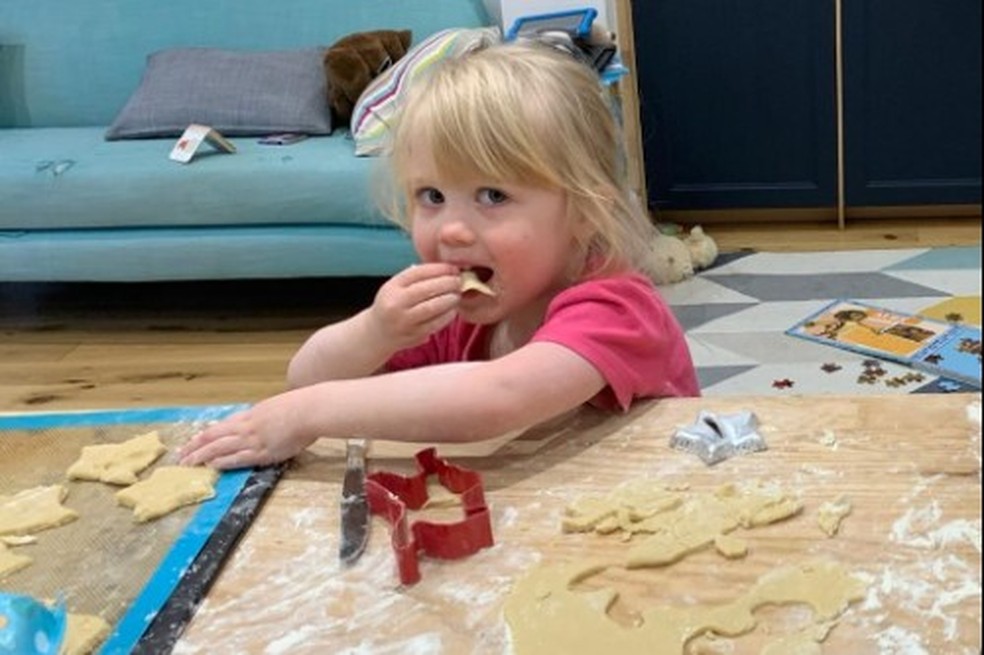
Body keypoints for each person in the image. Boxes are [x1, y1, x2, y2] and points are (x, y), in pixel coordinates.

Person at [179, 41, 699, 470]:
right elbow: (306, 379)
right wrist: (376, 330)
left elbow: (498, 397)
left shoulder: (617, 309)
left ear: (584, 211)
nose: (450, 229)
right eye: (432, 196)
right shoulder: (458, 317)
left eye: (492, 196)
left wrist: (308, 414)